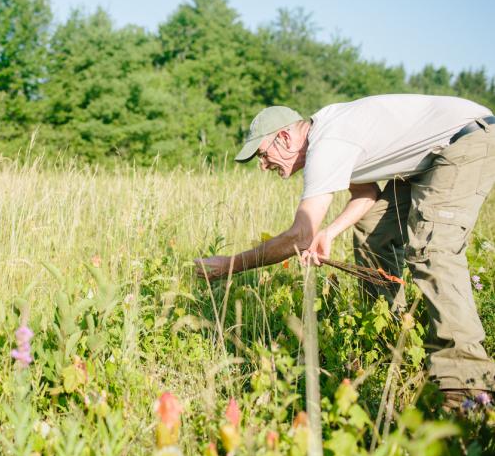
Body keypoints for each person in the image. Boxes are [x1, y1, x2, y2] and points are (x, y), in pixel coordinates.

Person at [194, 94, 495, 411]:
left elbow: (299, 235)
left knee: (432, 249)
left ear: (284, 138)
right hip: (432, 156)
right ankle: (390, 344)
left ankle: (468, 386)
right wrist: (330, 232)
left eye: (262, 153)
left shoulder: (327, 144)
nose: (262, 164)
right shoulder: (328, 134)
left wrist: (229, 265)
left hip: (466, 141)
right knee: (372, 232)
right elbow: (366, 195)